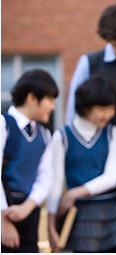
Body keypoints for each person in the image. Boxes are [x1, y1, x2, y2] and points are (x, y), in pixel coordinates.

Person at [46, 75, 116, 253]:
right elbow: (55, 183)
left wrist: (75, 192)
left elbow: (112, 177)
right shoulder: (63, 136)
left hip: (109, 212)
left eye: (112, 108)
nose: (109, 114)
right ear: (86, 105)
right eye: (103, 108)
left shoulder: (112, 133)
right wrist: (50, 226)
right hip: (77, 216)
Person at [1, 69, 59, 253]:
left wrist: (27, 207)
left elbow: (46, 176)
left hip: (28, 215)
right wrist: (3, 219)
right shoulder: (3, 125)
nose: (53, 107)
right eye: (50, 100)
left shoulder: (44, 135)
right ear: (32, 98)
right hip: (5, 211)